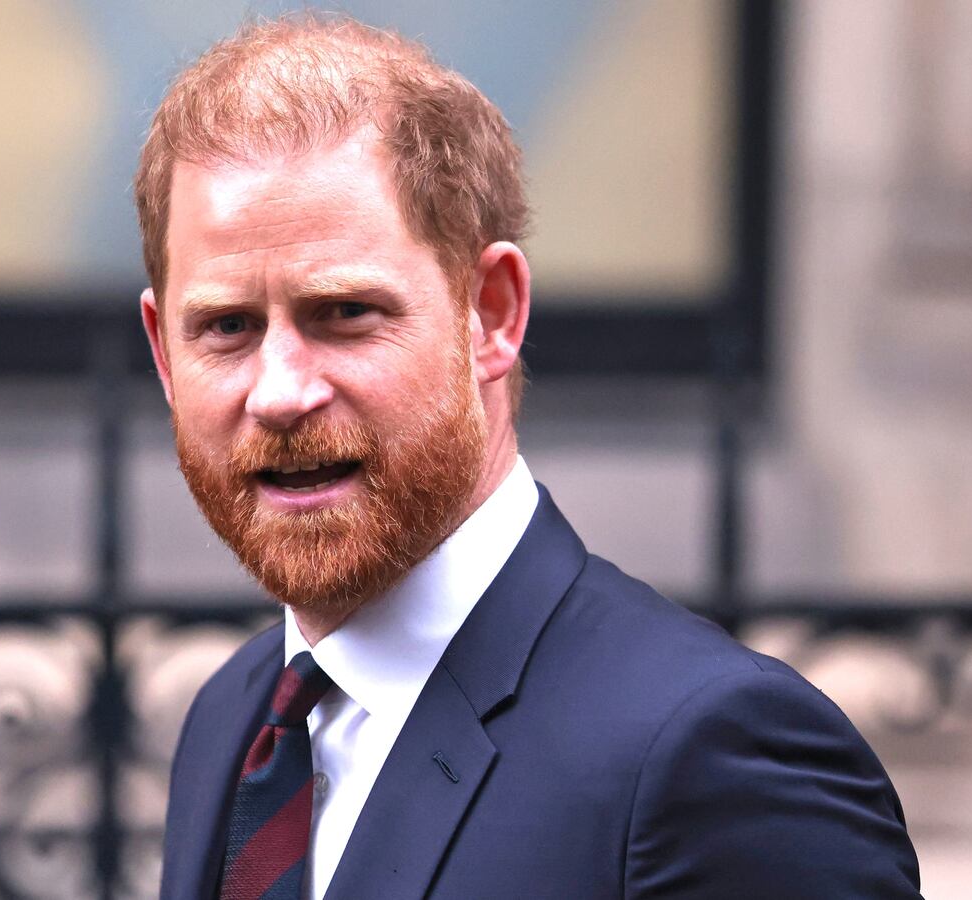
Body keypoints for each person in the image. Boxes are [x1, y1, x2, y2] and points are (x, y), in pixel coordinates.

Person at [135, 14, 920, 900]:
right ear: (164, 353)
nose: (279, 393)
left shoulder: (711, 756)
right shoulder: (232, 723)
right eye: (227, 328)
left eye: (344, 313)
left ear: (494, 314)